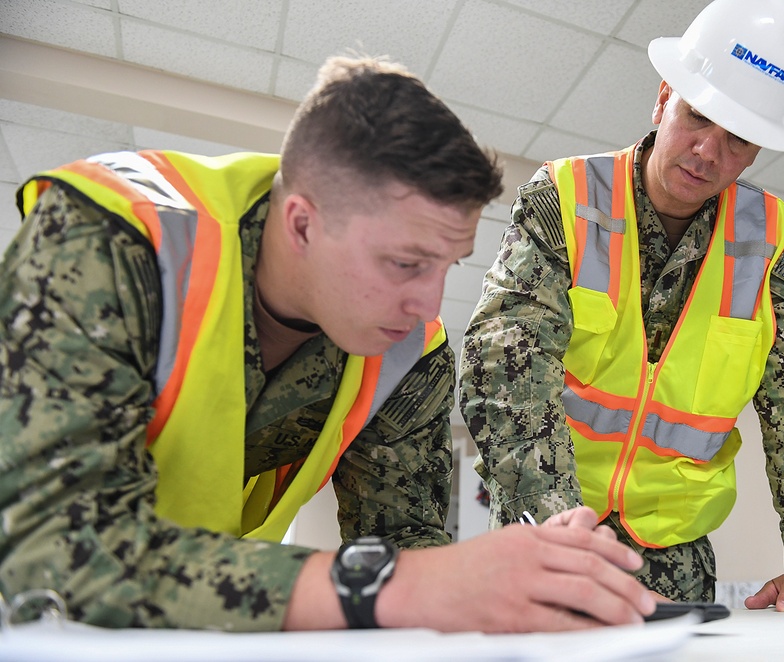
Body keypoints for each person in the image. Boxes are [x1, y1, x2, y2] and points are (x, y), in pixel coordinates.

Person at [0, 55, 656, 633]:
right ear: (303, 224)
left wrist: (519, 577)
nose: (429, 305)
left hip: (182, 629)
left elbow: (404, 548)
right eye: (405, 263)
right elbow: (56, 550)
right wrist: (403, 586)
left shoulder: (410, 355)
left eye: (447, 267)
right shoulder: (108, 242)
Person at [460, 0, 784, 613]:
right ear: (662, 98)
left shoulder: (776, 249)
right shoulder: (565, 203)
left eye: (739, 139)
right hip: (551, 525)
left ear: (758, 151)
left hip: (676, 554)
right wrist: (556, 525)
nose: (708, 152)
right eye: (697, 117)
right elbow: (505, 363)